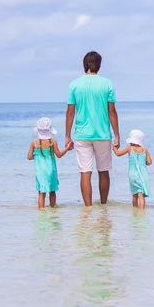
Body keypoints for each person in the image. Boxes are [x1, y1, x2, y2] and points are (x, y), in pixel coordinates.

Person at [65, 51, 120, 207]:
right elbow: (112, 112)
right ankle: (103, 206)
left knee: (85, 172)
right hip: (102, 134)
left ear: (85, 64)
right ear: (99, 65)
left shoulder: (74, 85)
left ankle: (88, 209)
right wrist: (117, 135)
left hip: (82, 134)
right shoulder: (107, 84)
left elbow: (70, 112)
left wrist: (67, 136)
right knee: (103, 171)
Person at [27, 117, 73, 209]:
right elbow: (59, 155)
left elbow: (29, 157)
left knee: (41, 192)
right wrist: (67, 148)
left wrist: (37, 156)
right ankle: (53, 209)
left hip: (40, 172)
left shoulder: (34, 143)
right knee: (52, 191)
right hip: (51, 170)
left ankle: (41, 211)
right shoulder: (52, 142)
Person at [112, 129, 152, 209]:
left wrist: (114, 148)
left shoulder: (130, 148)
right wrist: (143, 162)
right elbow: (149, 162)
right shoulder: (145, 150)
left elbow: (118, 154)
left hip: (133, 175)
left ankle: (135, 211)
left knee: (134, 195)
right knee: (141, 195)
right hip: (143, 175)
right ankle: (142, 211)